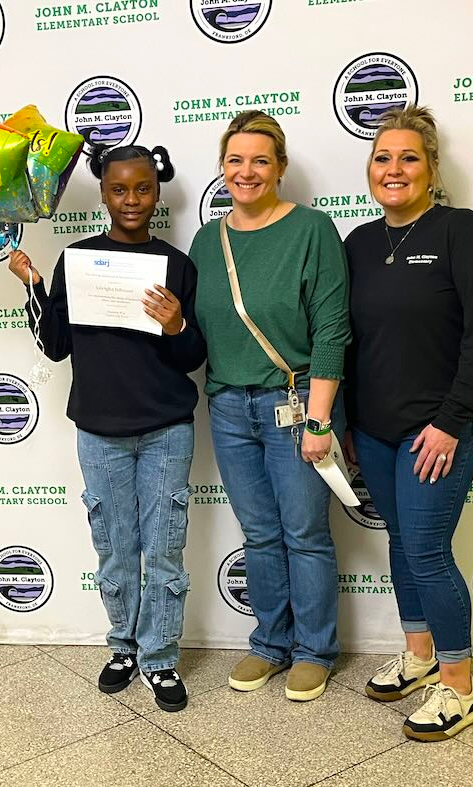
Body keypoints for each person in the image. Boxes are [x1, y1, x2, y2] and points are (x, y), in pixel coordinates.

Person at [8, 144, 205, 712]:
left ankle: (160, 659)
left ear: (157, 191)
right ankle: (122, 647)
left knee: (165, 550)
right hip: (99, 431)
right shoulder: (77, 260)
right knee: (115, 549)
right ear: (102, 193)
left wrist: (176, 324)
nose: (132, 200)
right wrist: (33, 285)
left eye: (143, 188)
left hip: (167, 428)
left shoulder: (177, 265)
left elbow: (193, 356)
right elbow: (54, 345)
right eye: (120, 190)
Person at [343, 105, 473, 740]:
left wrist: (450, 421)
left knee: (427, 549)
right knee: (401, 544)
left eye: (408, 157)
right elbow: (348, 341)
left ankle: (460, 685)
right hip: (376, 432)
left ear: (432, 169)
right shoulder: (359, 243)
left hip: (439, 428)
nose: (394, 169)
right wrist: (351, 423)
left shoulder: (463, 234)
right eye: (383, 158)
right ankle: (418, 655)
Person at [189, 110, 351, 702]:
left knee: (304, 532)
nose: (247, 171)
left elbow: (332, 331)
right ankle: (270, 644)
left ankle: (314, 651)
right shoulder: (208, 240)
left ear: (279, 167)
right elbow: (198, 328)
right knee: (259, 534)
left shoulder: (312, 230)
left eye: (260, 160)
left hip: (296, 400)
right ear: (222, 168)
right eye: (235, 160)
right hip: (230, 407)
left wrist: (318, 417)